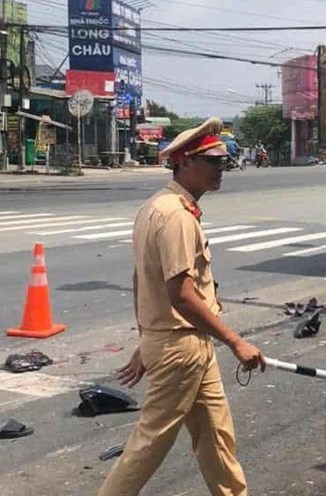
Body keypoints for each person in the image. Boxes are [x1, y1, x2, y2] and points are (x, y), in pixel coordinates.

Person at [97, 117, 265, 496]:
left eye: (224, 162)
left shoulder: (157, 206)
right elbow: (180, 294)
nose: (222, 170)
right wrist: (236, 342)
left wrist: (148, 340)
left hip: (183, 342)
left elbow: (144, 281)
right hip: (181, 346)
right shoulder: (176, 216)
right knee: (148, 444)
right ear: (186, 161)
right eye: (214, 162)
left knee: (217, 438)